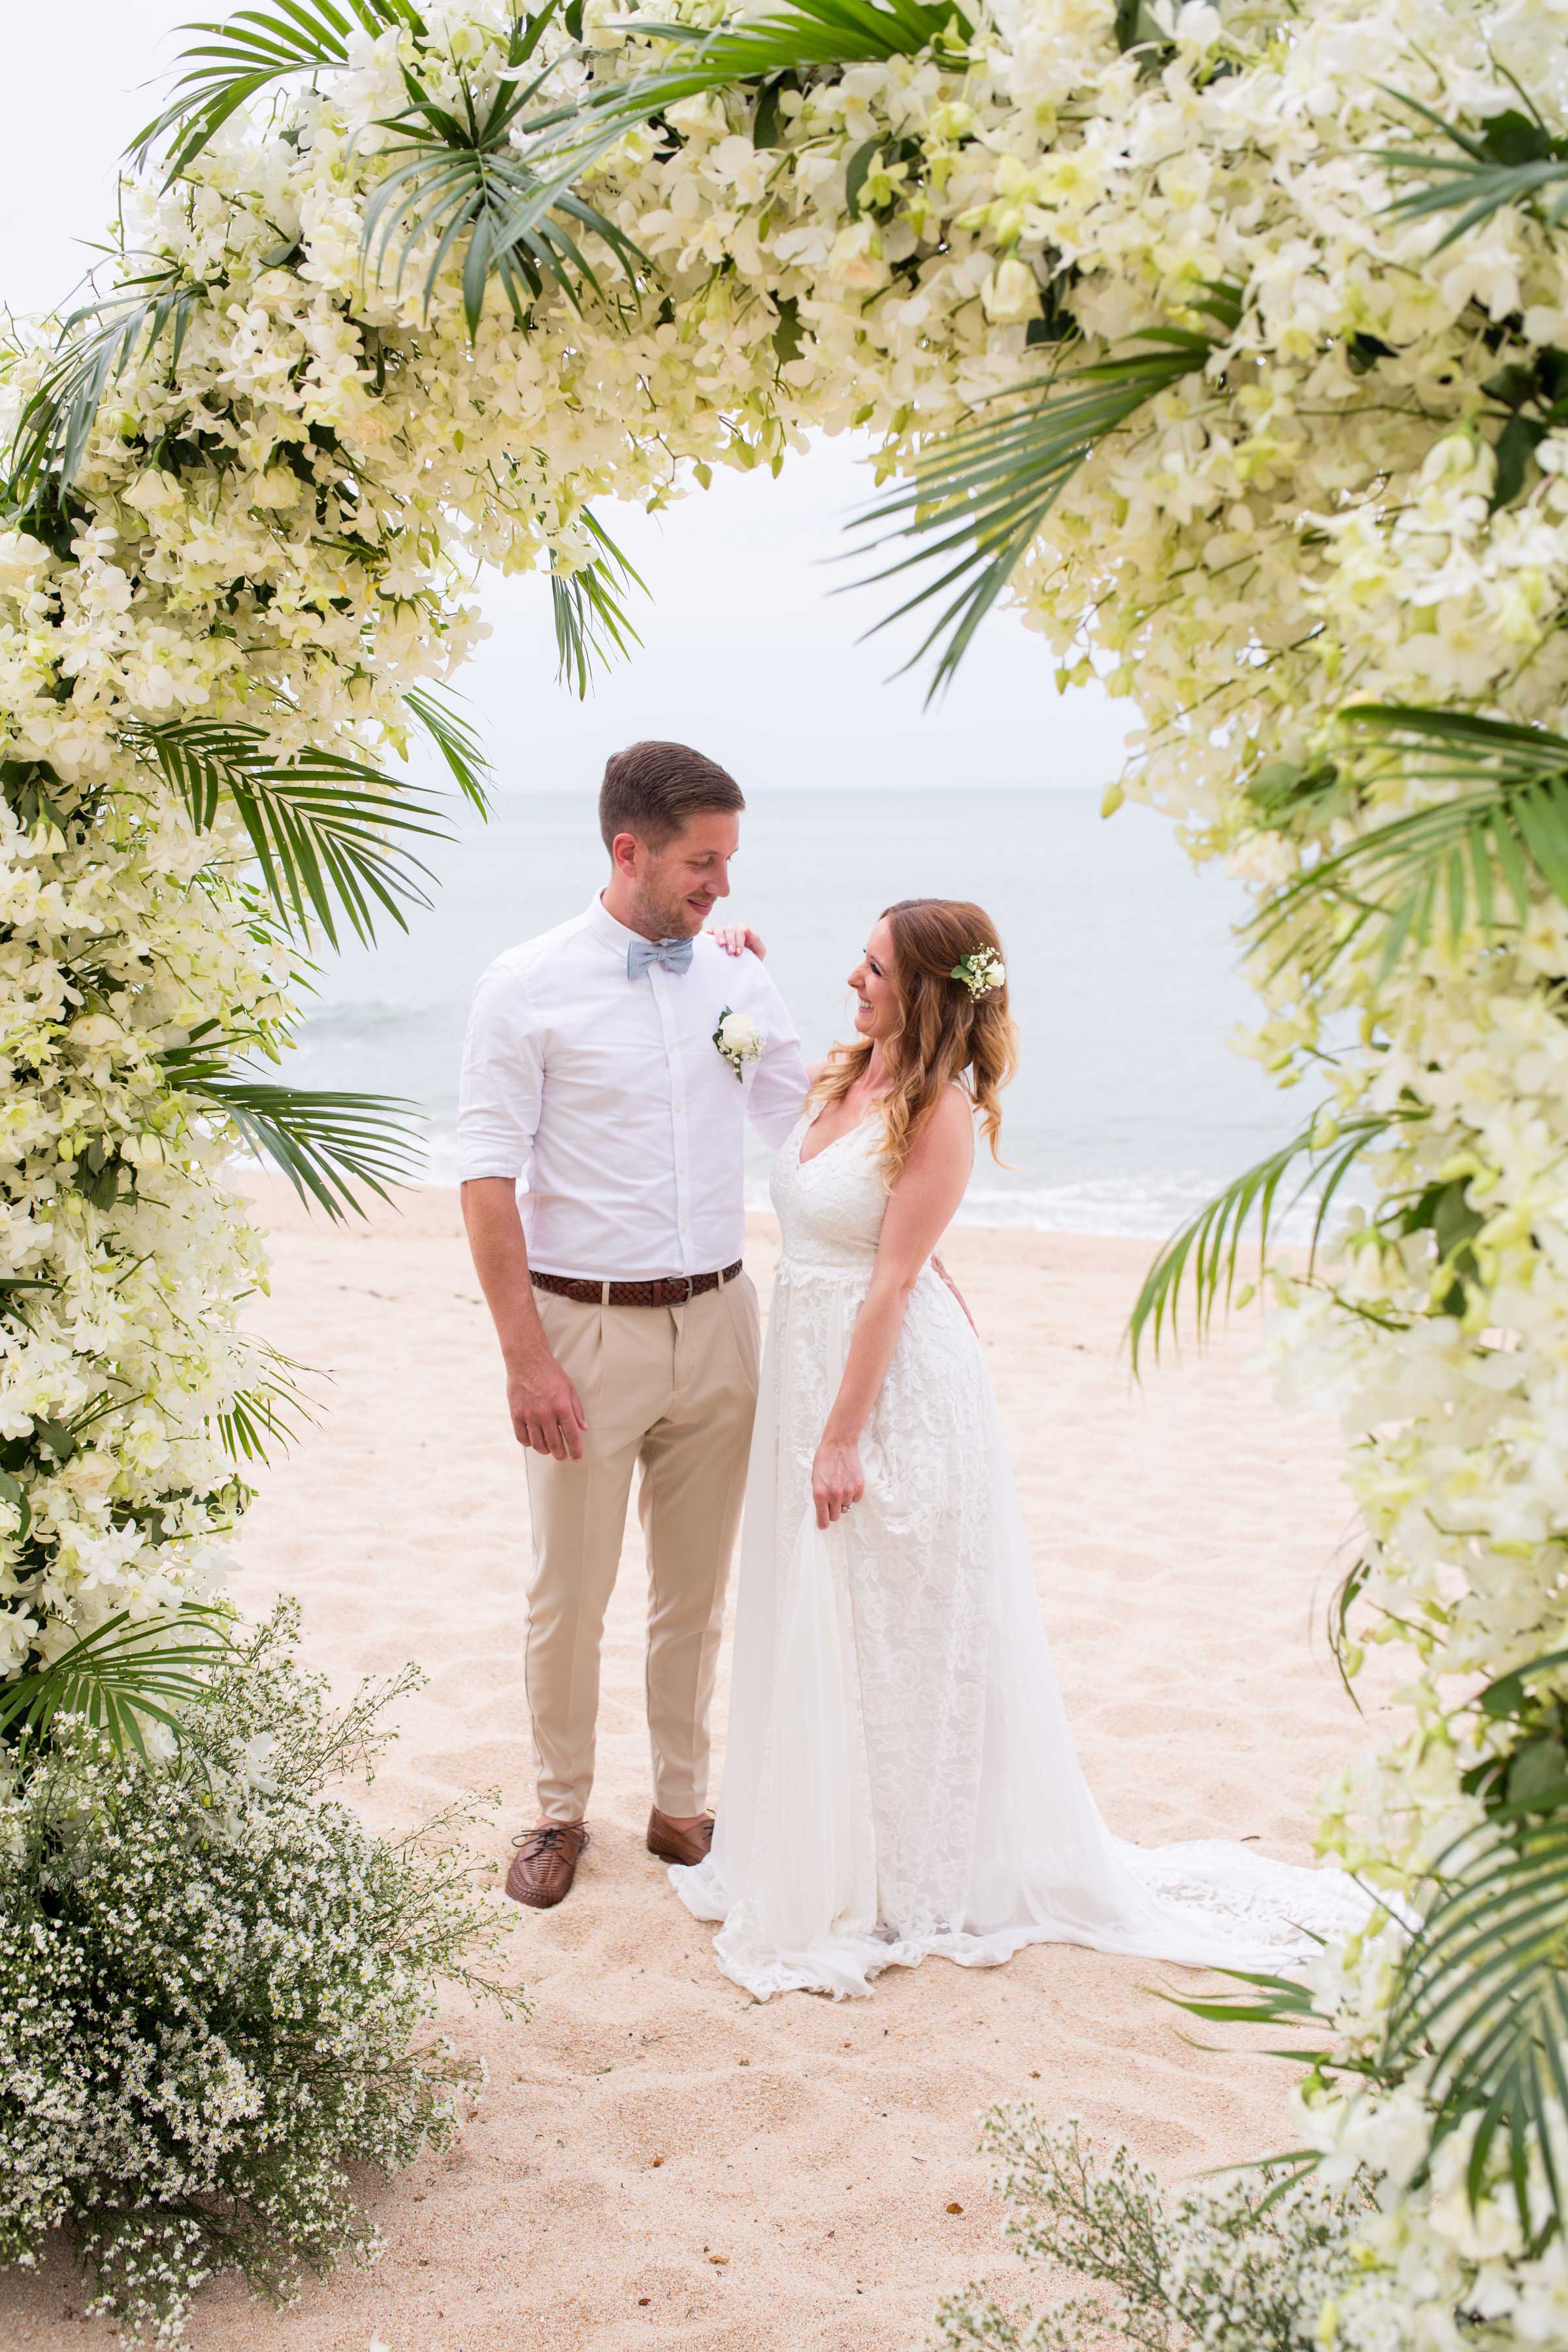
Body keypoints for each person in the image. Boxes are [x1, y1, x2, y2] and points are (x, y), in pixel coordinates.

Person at [669, 897, 1368, 1999]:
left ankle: (906, 1872)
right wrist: (724, 972)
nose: (854, 981)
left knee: (891, 1625)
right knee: (825, 1615)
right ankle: (825, 1841)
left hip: (881, 1391)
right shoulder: (842, 1076)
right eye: (857, 962)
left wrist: (842, 1438)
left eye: (877, 971)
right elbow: (798, 1150)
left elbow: (893, 1275)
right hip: (810, 1359)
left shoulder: (940, 1108)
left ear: (934, 993)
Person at [457, 741, 809, 1909]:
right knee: (570, 1592)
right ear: (630, 851)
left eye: (728, 864)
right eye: (702, 864)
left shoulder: (738, 979)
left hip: (720, 1321)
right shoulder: (526, 984)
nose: (721, 888)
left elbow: (805, 1123)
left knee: (697, 1591)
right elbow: (487, 1177)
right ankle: (559, 1810)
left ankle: (681, 1805)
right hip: (583, 1333)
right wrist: (526, 1358)